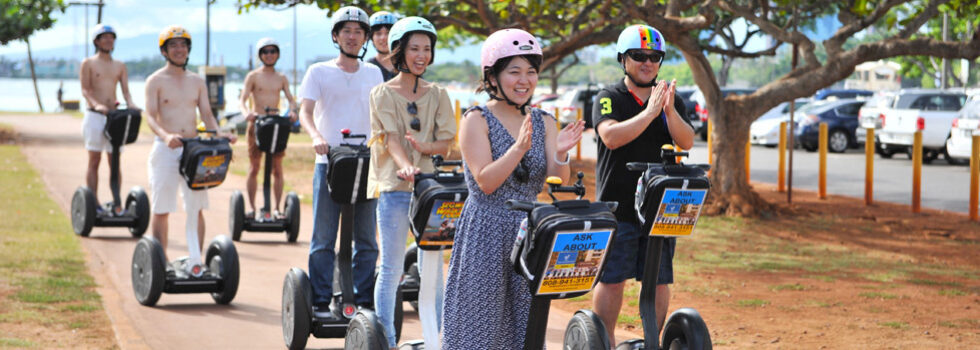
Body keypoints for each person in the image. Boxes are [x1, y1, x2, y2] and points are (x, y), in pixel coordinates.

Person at [442, 28, 585, 349]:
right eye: (514, 71)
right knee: (478, 324)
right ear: (492, 77)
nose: (524, 80)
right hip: (486, 230)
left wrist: (560, 153)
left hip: (532, 231)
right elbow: (485, 181)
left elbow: (557, 181)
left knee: (527, 327)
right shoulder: (475, 119)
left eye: (531, 72)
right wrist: (518, 148)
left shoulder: (545, 120)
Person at [591, 24, 694, 347]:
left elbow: (687, 140)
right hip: (618, 205)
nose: (647, 63)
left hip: (660, 208)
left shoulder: (670, 100)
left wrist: (666, 110)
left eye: (654, 57)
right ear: (624, 60)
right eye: (639, 56)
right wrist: (649, 113)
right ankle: (604, 341)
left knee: (659, 280)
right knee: (613, 279)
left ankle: (651, 340)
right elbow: (610, 136)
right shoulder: (609, 97)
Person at [366, 16, 455, 349]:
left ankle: (441, 339)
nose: (421, 55)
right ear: (398, 52)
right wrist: (407, 166)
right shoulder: (381, 93)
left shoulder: (439, 94)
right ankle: (385, 340)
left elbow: (444, 144)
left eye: (427, 49)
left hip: (432, 192)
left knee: (432, 266)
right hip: (395, 188)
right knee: (390, 267)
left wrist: (423, 149)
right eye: (414, 48)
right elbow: (390, 139)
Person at [297, 5, 383, 319]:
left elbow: (380, 115)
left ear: (365, 39)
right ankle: (320, 301)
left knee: (366, 239)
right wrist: (317, 137)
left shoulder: (374, 73)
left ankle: (362, 300)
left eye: (358, 31)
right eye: (346, 31)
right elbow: (305, 113)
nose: (352, 36)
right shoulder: (318, 72)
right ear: (336, 36)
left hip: (367, 163)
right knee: (323, 236)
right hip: (329, 163)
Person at [143, 25, 236, 276]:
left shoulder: (196, 81)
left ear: (188, 49)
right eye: (173, 45)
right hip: (166, 149)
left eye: (183, 45)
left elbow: (206, 114)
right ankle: (159, 265)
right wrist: (165, 135)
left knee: (196, 205)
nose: (179, 49)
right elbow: (150, 116)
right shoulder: (155, 81)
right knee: (162, 207)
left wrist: (220, 136)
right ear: (164, 51)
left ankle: (197, 261)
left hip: (194, 150)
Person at [79, 23, 138, 214]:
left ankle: (116, 201)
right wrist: (97, 104)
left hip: (114, 117)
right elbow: (85, 90)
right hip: (95, 116)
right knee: (94, 159)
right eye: (104, 37)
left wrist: (132, 105)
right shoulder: (88, 63)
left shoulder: (120, 66)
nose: (108, 40)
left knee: (115, 160)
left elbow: (126, 92)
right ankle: (93, 202)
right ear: (96, 41)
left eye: (111, 37)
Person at [239, 37, 298, 219]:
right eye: (265, 52)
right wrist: (247, 112)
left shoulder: (281, 78)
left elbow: (291, 99)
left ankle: (277, 209)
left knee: (277, 168)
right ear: (260, 55)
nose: (269, 55)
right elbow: (242, 99)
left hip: (276, 126)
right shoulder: (253, 76)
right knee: (254, 167)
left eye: (273, 51)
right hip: (257, 124)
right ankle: (251, 208)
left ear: (277, 54)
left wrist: (293, 112)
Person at [368, 11, 398, 82]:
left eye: (388, 33)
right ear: (372, 38)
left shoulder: (406, 66)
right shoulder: (367, 68)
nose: (383, 38)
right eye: (378, 34)